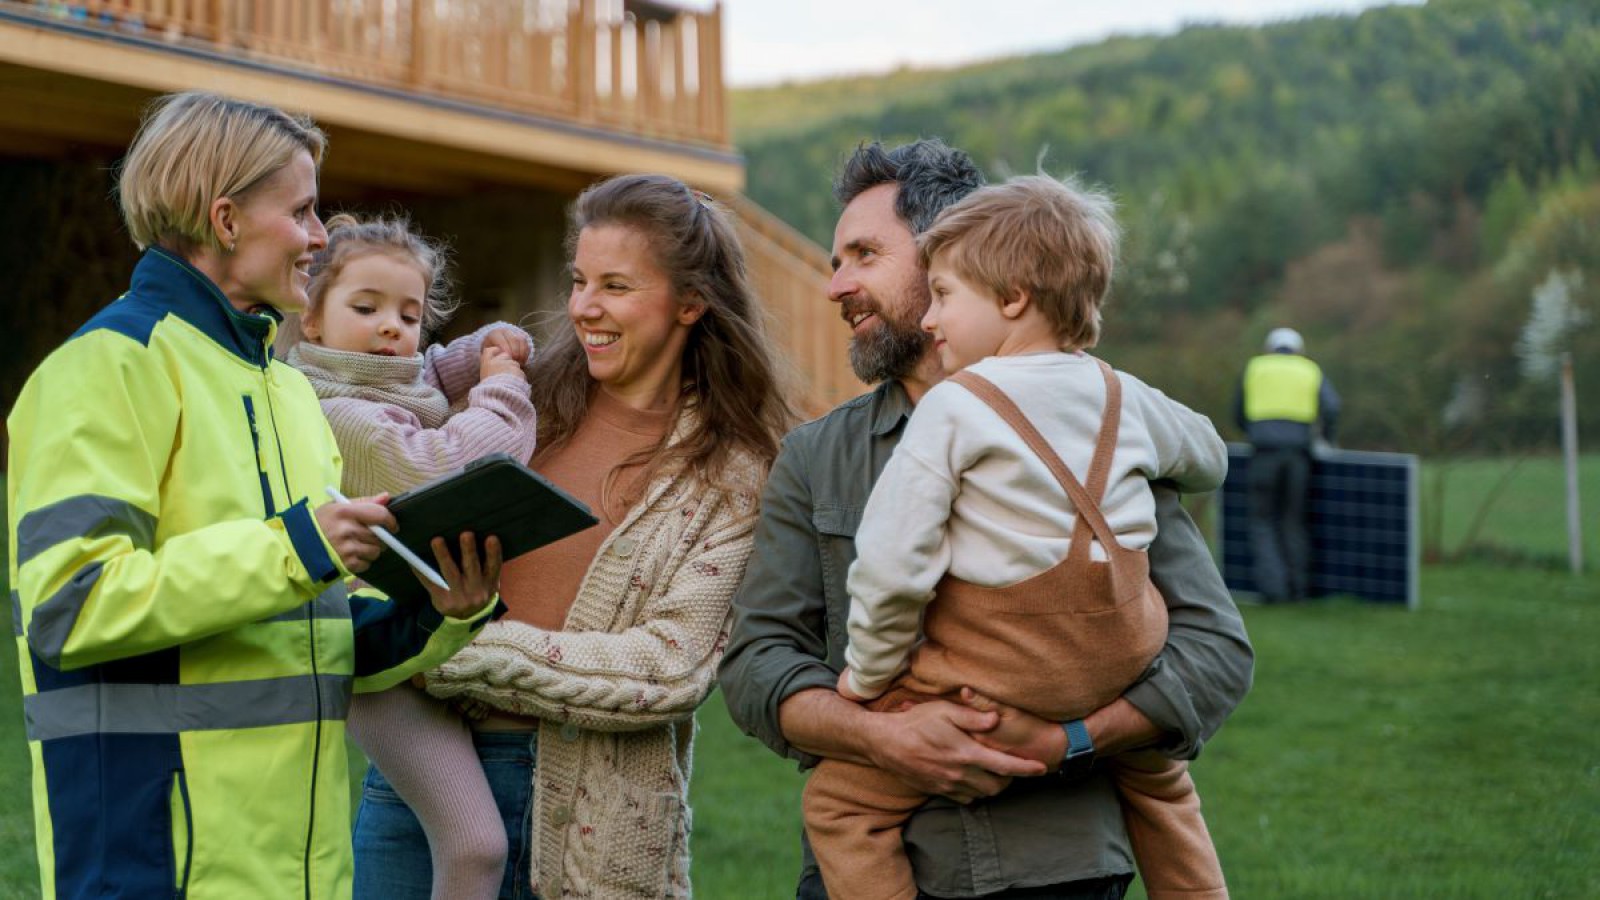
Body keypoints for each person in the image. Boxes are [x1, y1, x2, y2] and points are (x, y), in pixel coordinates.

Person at [720, 139, 1255, 900]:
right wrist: (884, 736)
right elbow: (755, 665)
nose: (835, 285)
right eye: (838, 261)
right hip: (880, 858)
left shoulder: (1098, 425)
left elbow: (1216, 650)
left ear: (949, 253)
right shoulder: (814, 458)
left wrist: (1067, 740)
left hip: (1061, 866)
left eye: (864, 255)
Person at [5, 91, 501, 899]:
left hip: (301, 875)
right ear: (225, 219)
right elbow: (70, 605)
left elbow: (307, 634)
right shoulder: (106, 368)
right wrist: (298, 547)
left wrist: (436, 614)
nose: (319, 237)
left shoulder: (288, 389)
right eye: (303, 211)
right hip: (151, 868)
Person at [352, 173, 797, 899]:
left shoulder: (735, 472)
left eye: (616, 286)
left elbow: (667, 667)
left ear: (690, 301)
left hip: (593, 805)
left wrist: (438, 649)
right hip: (421, 781)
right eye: (580, 280)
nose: (584, 307)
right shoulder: (507, 400)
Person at [284, 213, 541, 899]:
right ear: (309, 320)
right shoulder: (334, 409)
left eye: (409, 311)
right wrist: (503, 383)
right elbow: (451, 463)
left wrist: (489, 342)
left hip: (426, 636)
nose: (392, 326)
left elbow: (431, 367)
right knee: (476, 846)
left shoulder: (386, 378)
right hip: (379, 664)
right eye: (365, 308)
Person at [1232, 327, 1340, 603]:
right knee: (1293, 520)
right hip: (1298, 455)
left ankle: (1274, 590)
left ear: (1270, 348)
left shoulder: (1255, 367)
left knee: (1262, 520)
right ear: (1298, 349)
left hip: (1263, 454)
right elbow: (1332, 406)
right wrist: (1326, 438)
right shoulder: (1310, 369)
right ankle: (1299, 589)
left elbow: (1238, 410)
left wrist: (1254, 431)